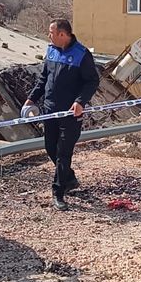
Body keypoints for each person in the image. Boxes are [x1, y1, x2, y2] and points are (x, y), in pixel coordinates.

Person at [24, 19, 100, 211]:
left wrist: (80, 101)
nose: (48, 36)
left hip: (70, 113)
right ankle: (70, 178)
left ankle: (58, 192)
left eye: (51, 32)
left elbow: (92, 81)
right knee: (51, 147)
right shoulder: (51, 50)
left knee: (64, 153)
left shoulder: (82, 54)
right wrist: (31, 99)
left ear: (62, 34)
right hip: (50, 110)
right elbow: (44, 79)